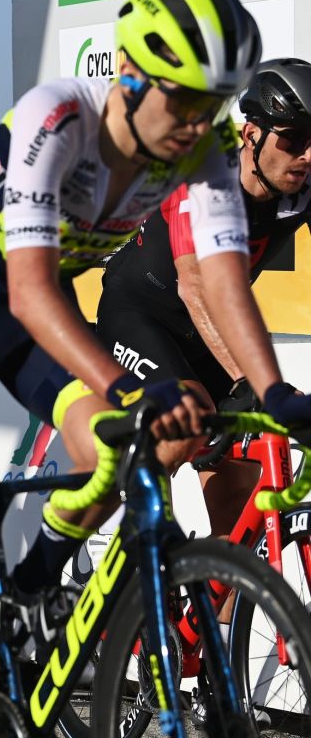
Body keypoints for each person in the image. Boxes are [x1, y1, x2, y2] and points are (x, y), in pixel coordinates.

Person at [0, 0, 311, 738]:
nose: (199, 124)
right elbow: (29, 289)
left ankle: (35, 580)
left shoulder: (203, 151)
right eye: (186, 101)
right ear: (135, 77)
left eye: (214, 105)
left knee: (112, 448)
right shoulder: (57, 118)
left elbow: (221, 279)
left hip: (28, 316)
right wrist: (124, 385)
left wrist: (275, 389)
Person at [98, 57, 311, 541]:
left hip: (205, 333)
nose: (307, 155)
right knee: (187, 418)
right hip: (139, 312)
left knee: (239, 489)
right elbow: (195, 288)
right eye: (294, 139)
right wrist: (250, 380)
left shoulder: (302, 185)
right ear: (251, 134)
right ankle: (137, 562)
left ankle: (217, 587)